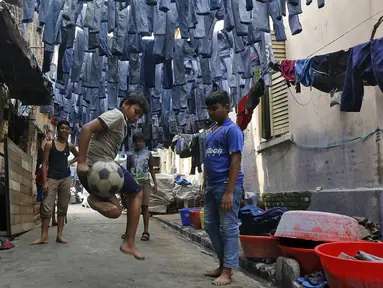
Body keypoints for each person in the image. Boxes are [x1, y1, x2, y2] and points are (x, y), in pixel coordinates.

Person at [76, 92, 149, 260]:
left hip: (101, 172)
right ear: (126, 104)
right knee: (137, 192)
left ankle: (94, 200)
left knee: (116, 211)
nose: (136, 118)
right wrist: (81, 162)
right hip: (98, 167)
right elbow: (87, 128)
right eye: (136, 111)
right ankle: (129, 243)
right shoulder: (116, 115)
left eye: (140, 116)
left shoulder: (121, 123)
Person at [202, 90, 244, 286]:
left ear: (226, 108)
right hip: (211, 186)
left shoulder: (232, 130)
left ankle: (228, 271)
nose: (211, 112)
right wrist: (204, 183)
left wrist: (229, 191)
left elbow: (236, 161)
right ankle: (222, 264)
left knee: (228, 227)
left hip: (226, 185)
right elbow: (208, 159)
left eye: (214, 108)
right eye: (209, 109)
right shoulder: (211, 131)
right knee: (210, 225)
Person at [31, 121, 79, 245]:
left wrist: (70, 163)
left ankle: (59, 235)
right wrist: (45, 181)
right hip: (52, 178)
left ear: (69, 131)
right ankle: (44, 236)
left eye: (67, 129)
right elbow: (45, 164)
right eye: (62, 128)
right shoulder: (49, 144)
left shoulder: (70, 146)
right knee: (46, 206)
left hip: (65, 179)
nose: (64, 130)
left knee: (63, 207)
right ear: (58, 130)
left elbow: (79, 156)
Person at [126, 132, 158, 241]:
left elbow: (151, 169)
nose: (139, 143)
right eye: (136, 142)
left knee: (145, 207)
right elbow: (128, 170)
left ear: (143, 142)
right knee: (132, 208)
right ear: (134, 143)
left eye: (140, 141)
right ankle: (129, 232)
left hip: (145, 183)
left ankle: (146, 231)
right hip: (134, 184)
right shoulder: (130, 155)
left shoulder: (148, 154)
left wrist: (155, 183)